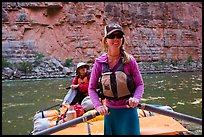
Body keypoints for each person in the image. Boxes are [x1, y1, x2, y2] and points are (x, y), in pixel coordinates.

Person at [88, 23, 144, 135]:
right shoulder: (99, 63)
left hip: (129, 111)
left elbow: (139, 85)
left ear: (122, 40)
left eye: (119, 36)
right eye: (112, 36)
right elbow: (92, 88)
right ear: (106, 40)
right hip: (110, 113)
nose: (115, 39)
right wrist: (98, 106)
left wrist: (136, 98)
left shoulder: (130, 61)